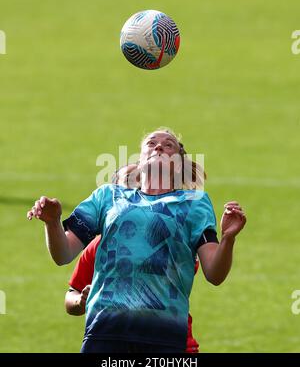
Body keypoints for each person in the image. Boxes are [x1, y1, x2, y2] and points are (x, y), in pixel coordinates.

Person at [27, 127, 246, 353]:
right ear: (140, 159)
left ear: (179, 165)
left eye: (168, 144)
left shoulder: (195, 203)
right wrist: (52, 223)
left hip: (165, 336)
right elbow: (63, 255)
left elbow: (215, 274)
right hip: (105, 330)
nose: (159, 146)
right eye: (151, 143)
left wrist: (228, 239)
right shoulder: (107, 196)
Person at [65, 235, 200, 353]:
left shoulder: (177, 243)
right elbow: (72, 293)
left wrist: (222, 244)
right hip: (110, 341)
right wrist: (79, 301)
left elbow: (214, 274)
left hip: (171, 341)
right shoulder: (102, 243)